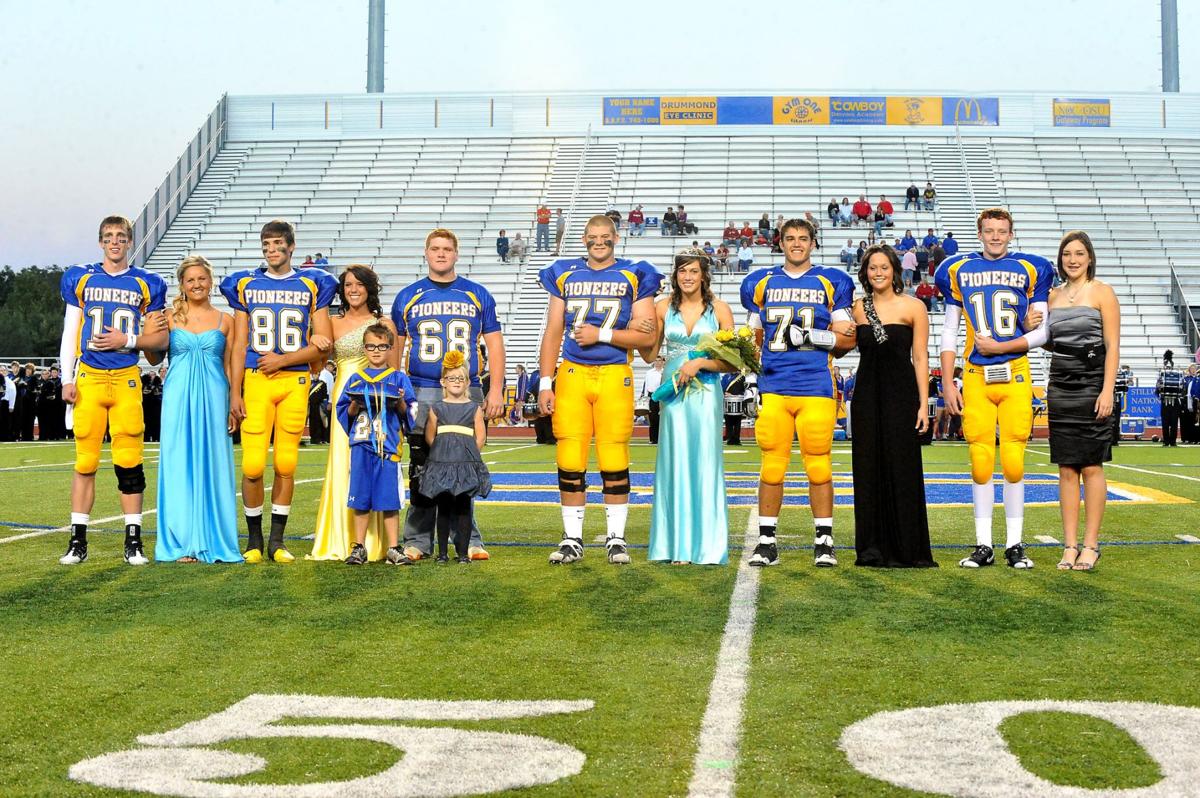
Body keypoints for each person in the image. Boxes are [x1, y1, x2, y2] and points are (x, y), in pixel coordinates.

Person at [537, 214, 661, 565]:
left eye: (605, 236)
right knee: (570, 456)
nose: (599, 242)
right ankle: (572, 538)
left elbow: (647, 336)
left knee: (613, 456)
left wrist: (601, 334)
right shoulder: (564, 272)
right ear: (584, 239)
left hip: (614, 372)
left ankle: (616, 538)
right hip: (573, 372)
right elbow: (552, 331)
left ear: (616, 238)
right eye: (592, 237)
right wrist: (546, 382)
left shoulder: (635, 274)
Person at [936, 207, 1053, 570]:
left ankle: (1015, 544)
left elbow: (1043, 331)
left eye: (1002, 231)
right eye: (989, 231)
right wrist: (945, 380)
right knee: (981, 460)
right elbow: (949, 330)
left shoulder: (1032, 268)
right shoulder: (957, 270)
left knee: (1015, 461)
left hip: (1015, 370)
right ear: (980, 233)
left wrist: (1005, 343)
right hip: (974, 374)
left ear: (1011, 233)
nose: (996, 236)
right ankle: (983, 544)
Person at [741, 218, 856, 568]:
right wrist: (749, 381)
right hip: (773, 385)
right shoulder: (760, 282)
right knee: (772, 466)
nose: (796, 244)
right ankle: (766, 540)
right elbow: (752, 339)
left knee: (819, 465)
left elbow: (847, 341)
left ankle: (824, 539)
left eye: (803, 238)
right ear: (781, 242)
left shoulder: (831, 280)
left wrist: (810, 338)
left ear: (813, 243)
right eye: (790, 238)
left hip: (815, 386)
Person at [221, 219, 337, 564]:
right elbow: (239, 345)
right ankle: (254, 539)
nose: (272, 250)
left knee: (286, 463)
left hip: (294, 380)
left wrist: (284, 359)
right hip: (256, 380)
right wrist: (235, 393)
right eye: (266, 244)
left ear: (291, 247)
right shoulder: (245, 284)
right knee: (254, 464)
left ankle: (277, 541)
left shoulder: (312, 283)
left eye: (277, 244)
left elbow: (324, 345)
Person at [57, 215, 169, 566]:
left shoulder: (148, 283)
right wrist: (66, 378)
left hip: (126, 377)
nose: (115, 241)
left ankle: (133, 540)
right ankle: (78, 540)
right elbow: (70, 330)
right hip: (89, 375)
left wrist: (129, 340)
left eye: (121, 236)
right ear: (101, 241)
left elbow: (157, 345)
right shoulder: (82, 278)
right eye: (108, 236)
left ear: (130, 241)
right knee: (85, 461)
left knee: (129, 460)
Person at [391, 228, 504, 562]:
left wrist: (495, 388)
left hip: (464, 389)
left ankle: (468, 539)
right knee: (421, 466)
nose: (441, 254)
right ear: (426, 253)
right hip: (419, 387)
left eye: (447, 249)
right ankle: (418, 539)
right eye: (435, 249)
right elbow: (397, 346)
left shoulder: (477, 294)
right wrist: (396, 388)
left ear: (456, 254)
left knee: (463, 463)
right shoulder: (408, 295)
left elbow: (494, 343)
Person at [641, 248, 734, 565]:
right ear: (675, 275)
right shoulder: (662, 307)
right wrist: (640, 324)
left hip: (706, 392)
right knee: (676, 461)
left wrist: (700, 364)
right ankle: (677, 547)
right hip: (674, 392)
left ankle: (707, 547)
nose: (688, 277)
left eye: (694, 271)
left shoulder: (720, 309)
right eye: (683, 271)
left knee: (706, 461)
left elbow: (732, 361)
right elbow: (650, 355)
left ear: (704, 275)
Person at [148, 255, 241, 563]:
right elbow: (152, 359)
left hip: (215, 396)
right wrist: (147, 331)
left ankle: (214, 539)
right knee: (178, 464)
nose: (197, 284)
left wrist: (233, 403)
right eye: (191, 280)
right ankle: (182, 540)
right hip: (177, 396)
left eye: (202, 278)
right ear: (182, 285)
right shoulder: (169, 317)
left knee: (214, 465)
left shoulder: (226, 320)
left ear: (210, 281)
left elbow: (229, 367)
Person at [1036, 231, 1120, 572]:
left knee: (1092, 465)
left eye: (1079, 254)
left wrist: (1106, 390)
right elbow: (1050, 343)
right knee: (1066, 468)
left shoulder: (1103, 292)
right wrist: (1036, 329)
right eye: (1067, 254)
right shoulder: (1052, 296)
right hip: (1060, 384)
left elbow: (1113, 346)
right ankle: (1069, 546)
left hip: (1092, 382)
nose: (1072, 259)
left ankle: (1091, 545)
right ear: (1061, 258)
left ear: (1089, 258)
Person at [851, 244, 936, 568]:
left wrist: (922, 403)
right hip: (867, 397)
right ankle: (870, 550)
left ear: (895, 270)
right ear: (865, 272)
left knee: (903, 469)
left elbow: (920, 358)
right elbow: (843, 345)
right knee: (867, 470)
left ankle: (908, 549)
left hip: (902, 397)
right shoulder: (858, 308)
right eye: (872, 268)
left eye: (884, 267)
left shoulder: (914, 307)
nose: (878, 273)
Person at [309, 266, 400, 561]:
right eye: (348, 284)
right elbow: (316, 365)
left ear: (369, 288)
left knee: (377, 461)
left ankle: (376, 543)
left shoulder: (384, 323)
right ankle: (343, 539)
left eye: (359, 284)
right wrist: (314, 341)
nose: (353, 289)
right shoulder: (331, 323)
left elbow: (395, 371)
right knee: (343, 465)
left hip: (379, 401)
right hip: (344, 402)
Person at [336, 323, 416, 566]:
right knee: (360, 498)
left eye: (382, 346)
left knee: (389, 499)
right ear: (364, 348)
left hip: (387, 446)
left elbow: (411, 411)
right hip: (361, 446)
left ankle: (393, 547)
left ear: (391, 348)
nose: (377, 351)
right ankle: (359, 546)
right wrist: (354, 404)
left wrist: (400, 403)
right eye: (371, 346)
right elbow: (343, 413)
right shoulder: (355, 379)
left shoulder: (398, 378)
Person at [418, 351, 492, 563]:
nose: (456, 382)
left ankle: (462, 553)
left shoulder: (474, 408)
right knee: (443, 509)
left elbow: (480, 437)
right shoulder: (436, 408)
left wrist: (466, 455)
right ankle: (442, 553)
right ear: (443, 381)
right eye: (452, 378)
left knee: (463, 508)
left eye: (461, 378)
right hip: (441, 464)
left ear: (468, 381)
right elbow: (431, 437)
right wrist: (444, 453)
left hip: (465, 465)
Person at [1157, 351, 1186, 447]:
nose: (1168, 369)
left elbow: (1182, 388)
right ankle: (1166, 441)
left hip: (1175, 402)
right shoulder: (1161, 376)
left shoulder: (1178, 375)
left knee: (1174, 422)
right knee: (1165, 422)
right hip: (1165, 401)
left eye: (1169, 367)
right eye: (1167, 367)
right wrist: (1160, 388)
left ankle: (1173, 441)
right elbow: (1157, 389)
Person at [642, 356, 664, 444]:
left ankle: (662, 439)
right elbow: (647, 386)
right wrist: (646, 398)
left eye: (660, 361)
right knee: (652, 418)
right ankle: (653, 439)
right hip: (652, 395)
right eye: (656, 360)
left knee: (662, 418)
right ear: (654, 362)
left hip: (663, 395)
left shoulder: (665, 372)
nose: (658, 362)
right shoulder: (649, 373)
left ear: (662, 362)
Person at [722, 371, 747, 446]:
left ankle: (736, 439)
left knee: (737, 422)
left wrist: (735, 395)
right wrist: (724, 393)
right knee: (728, 421)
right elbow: (721, 386)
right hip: (727, 401)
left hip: (738, 401)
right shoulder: (726, 376)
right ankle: (729, 438)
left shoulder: (741, 377)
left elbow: (744, 389)